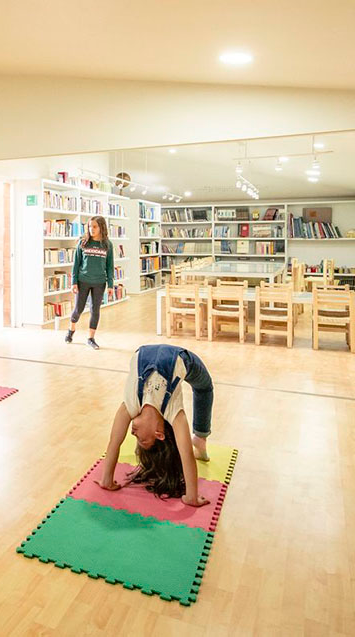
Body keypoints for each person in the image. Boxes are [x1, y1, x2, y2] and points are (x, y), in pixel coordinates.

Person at [97, 344, 214, 507]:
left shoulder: (130, 406)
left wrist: (106, 480)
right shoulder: (173, 412)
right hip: (184, 359)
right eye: (143, 441)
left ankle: (200, 443)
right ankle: (200, 438)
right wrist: (191, 497)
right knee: (204, 388)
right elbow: (186, 453)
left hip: (146, 350)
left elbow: (114, 441)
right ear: (159, 434)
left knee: (204, 388)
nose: (133, 435)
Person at [65, 215, 114, 349]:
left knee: (95, 310)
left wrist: (110, 284)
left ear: (101, 227)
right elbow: (76, 264)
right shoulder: (83, 243)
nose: (91, 229)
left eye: (94, 227)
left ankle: (91, 338)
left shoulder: (107, 245)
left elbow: (110, 266)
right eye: (89, 226)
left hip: (99, 282)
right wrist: (74, 282)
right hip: (83, 281)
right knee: (78, 309)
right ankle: (71, 330)